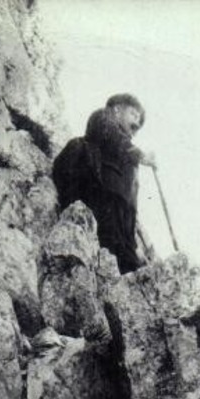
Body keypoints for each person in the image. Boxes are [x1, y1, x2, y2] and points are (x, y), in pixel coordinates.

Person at [53, 94, 156, 274]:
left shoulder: (127, 158)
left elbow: (130, 206)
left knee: (125, 260)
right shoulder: (103, 117)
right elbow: (111, 136)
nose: (136, 124)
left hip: (117, 213)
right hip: (97, 197)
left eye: (138, 121)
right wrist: (139, 155)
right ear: (116, 110)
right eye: (133, 114)